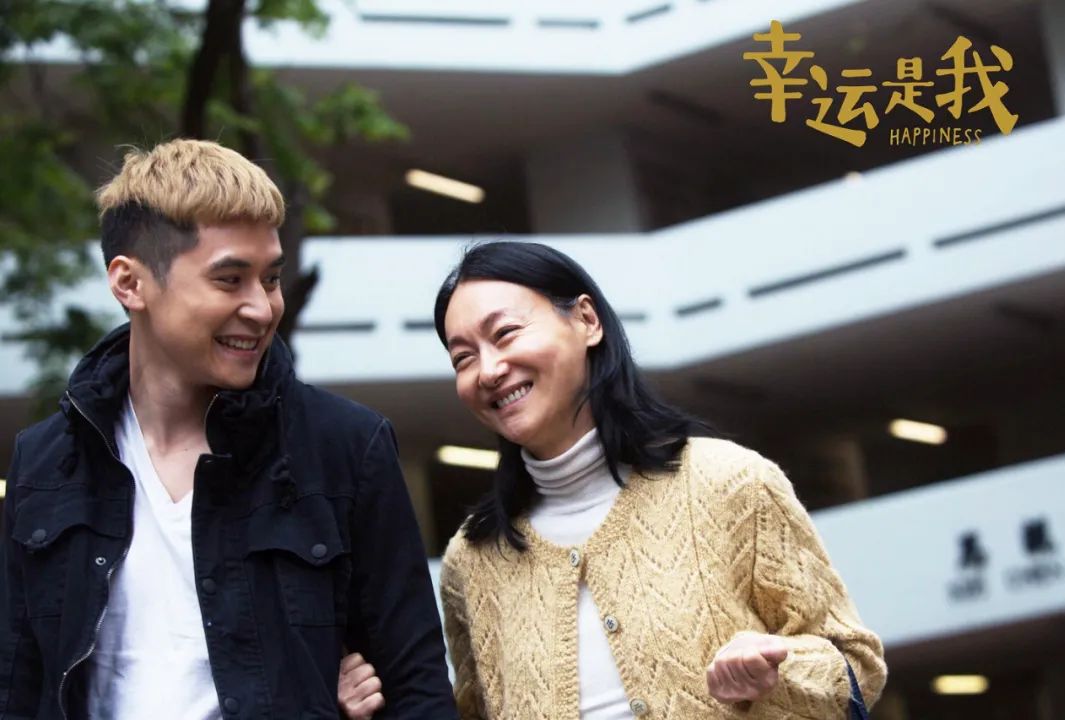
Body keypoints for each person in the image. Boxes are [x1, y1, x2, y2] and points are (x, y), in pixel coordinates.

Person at [0, 139, 456, 720]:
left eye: (271, 278)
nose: (262, 309)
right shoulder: (44, 462)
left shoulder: (345, 446)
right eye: (230, 279)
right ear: (130, 284)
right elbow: (14, 688)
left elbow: (417, 689)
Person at [432, 241, 887, 719]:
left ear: (587, 321)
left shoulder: (731, 482)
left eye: (505, 333)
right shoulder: (471, 561)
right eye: (463, 358)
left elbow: (856, 664)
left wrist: (777, 667)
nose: (489, 370)